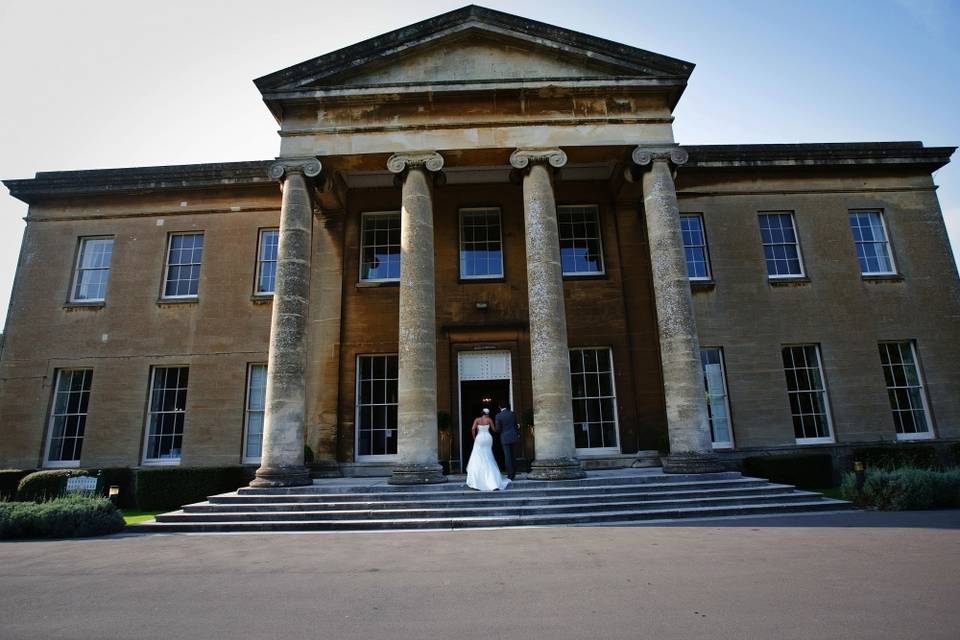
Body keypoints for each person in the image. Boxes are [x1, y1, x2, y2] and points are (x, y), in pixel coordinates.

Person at [466, 408, 511, 491]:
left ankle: (478, 477)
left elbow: (473, 428)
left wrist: (474, 437)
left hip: (479, 438)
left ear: (482, 413)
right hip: (487, 437)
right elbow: (494, 429)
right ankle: (491, 477)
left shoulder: (477, 419)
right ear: (487, 413)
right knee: (488, 454)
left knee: (478, 455)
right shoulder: (489, 419)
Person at [495, 402, 520, 480]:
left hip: (505, 438)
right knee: (513, 456)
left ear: (499, 407)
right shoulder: (512, 414)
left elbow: (498, 429)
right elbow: (516, 426)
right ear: (506, 406)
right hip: (513, 436)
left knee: (507, 457)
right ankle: (514, 473)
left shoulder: (498, 416)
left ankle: (510, 474)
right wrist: (518, 434)